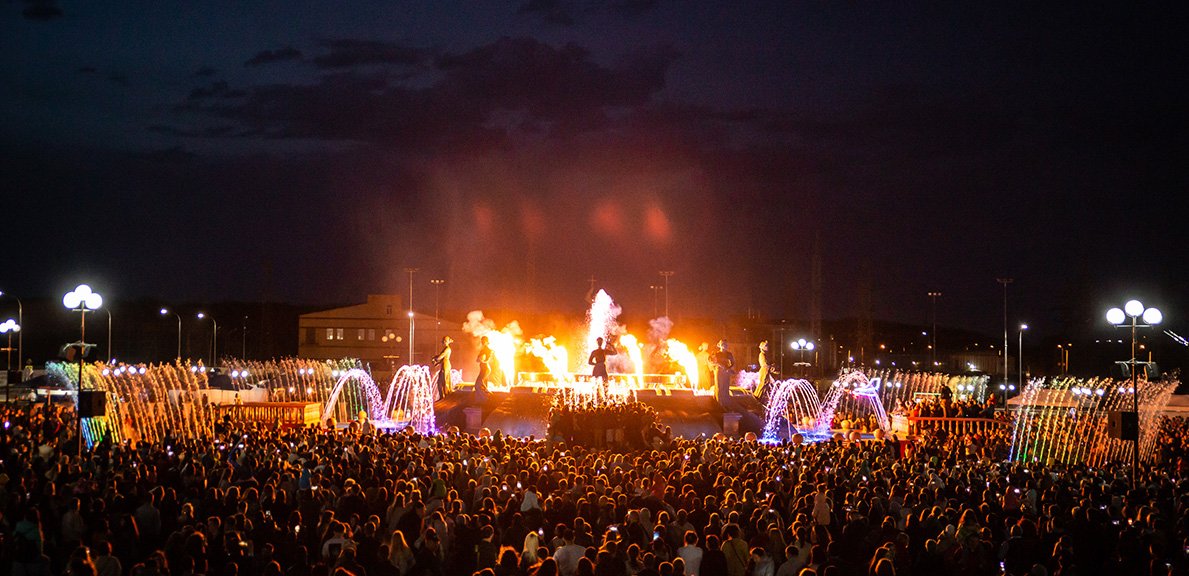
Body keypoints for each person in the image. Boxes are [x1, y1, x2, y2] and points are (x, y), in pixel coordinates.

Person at [475, 336, 492, 401]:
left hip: (485, 368)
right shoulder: (483, 350)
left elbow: (486, 359)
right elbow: (477, 360)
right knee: (482, 384)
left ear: (486, 342)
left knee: (478, 384)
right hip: (483, 368)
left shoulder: (487, 350)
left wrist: (482, 360)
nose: (482, 342)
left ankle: (486, 398)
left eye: (483, 341)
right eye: (481, 340)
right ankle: (485, 399)